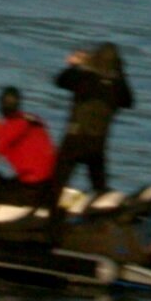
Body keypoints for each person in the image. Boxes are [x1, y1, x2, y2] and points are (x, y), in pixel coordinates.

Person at [51, 42, 134, 194]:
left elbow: (60, 80)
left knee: (56, 184)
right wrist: (120, 71)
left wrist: (76, 64)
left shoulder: (83, 77)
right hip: (97, 144)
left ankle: (50, 209)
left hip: (74, 140)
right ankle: (102, 201)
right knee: (99, 186)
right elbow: (129, 101)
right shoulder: (117, 87)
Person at [0, 86, 57, 212]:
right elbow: (17, 134)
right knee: (3, 183)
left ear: (1, 105)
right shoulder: (33, 118)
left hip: (30, 187)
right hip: (48, 181)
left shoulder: (11, 126)